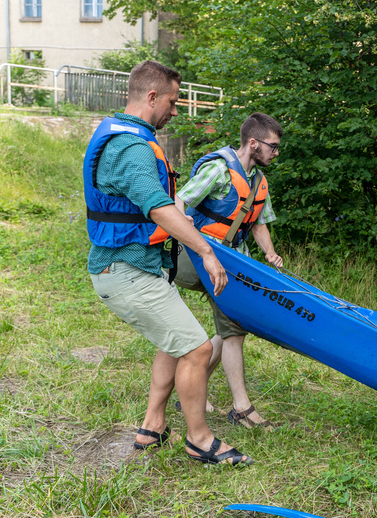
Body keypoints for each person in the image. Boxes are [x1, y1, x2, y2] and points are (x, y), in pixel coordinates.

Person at [84, 60, 251, 465]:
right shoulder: (130, 147)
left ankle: (152, 426)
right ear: (152, 96)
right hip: (124, 271)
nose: (175, 111)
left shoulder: (130, 138)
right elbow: (157, 208)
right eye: (173, 102)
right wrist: (207, 252)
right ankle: (199, 438)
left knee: (173, 342)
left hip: (140, 268)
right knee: (196, 349)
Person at [173, 113, 284, 431]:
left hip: (235, 261)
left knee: (233, 326)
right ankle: (242, 408)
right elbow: (180, 199)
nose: (275, 153)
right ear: (254, 143)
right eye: (272, 147)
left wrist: (270, 253)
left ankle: (190, 391)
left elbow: (259, 222)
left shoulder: (259, 182)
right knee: (234, 329)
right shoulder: (218, 169)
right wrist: (188, 231)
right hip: (202, 259)